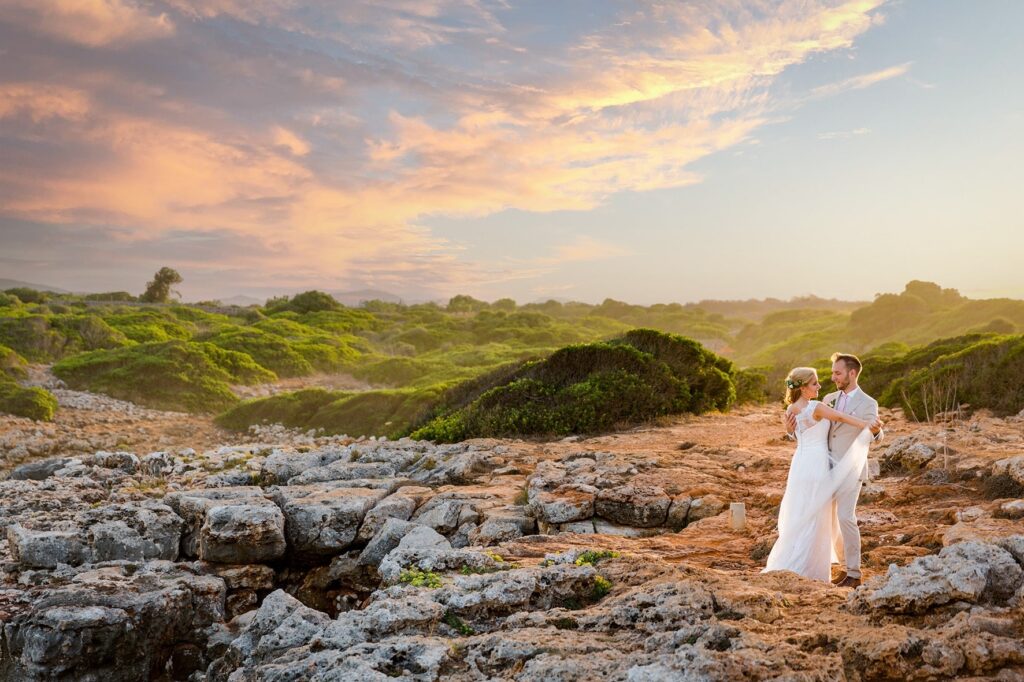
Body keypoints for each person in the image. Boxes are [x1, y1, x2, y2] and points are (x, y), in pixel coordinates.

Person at [763, 365, 882, 584]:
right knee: (818, 516)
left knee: (803, 511)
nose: (820, 385)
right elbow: (843, 418)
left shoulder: (790, 410)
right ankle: (812, 569)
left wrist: (789, 432)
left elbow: (797, 434)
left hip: (800, 464)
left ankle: (794, 560)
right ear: (804, 387)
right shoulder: (817, 406)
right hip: (818, 465)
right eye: (815, 383)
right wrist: (869, 426)